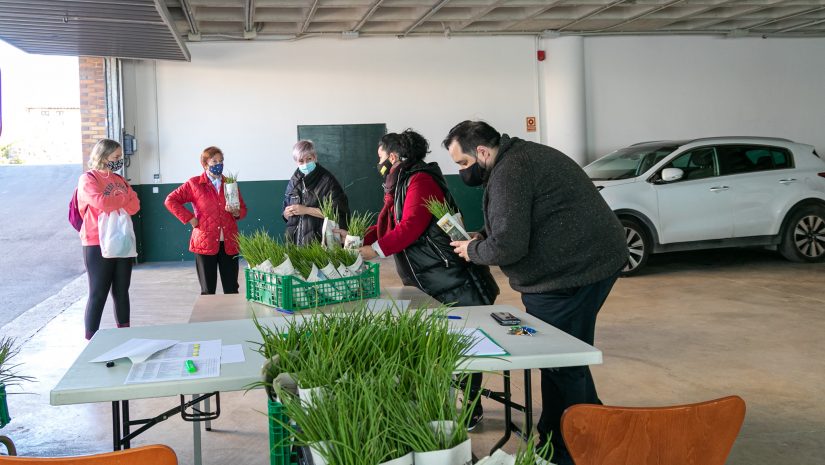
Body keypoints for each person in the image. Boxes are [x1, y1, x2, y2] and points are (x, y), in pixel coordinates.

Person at [444, 121, 627, 462]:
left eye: (463, 164)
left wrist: (473, 251)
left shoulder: (511, 171)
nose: (462, 171)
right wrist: (484, 235)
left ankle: (566, 447)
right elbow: (514, 219)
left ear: (482, 152)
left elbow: (509, 246)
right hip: (584, 263)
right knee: (569, 354)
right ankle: (590, 423)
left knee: (560, 361)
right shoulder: (518, 158)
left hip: (574, 273)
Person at [349, 129, 500, 429]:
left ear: (393, 156)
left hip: (450, 278)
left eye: (380, 158)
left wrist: (374, 251)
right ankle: (439, 404)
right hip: (428, 280)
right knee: (437, 346)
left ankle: (472, 407)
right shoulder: (400, 182)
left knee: (462, 346)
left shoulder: (420, 180)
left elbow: (410, 226)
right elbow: (388, 223)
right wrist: (354, 239)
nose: (378, 163)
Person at [76, 139, 140, 340]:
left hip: (121, 240)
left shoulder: (120, 180)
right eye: (116, 157)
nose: (119, 161)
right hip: (96, 242)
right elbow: (101, 202)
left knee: (122, 291)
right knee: (98, 292)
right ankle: (90, 338)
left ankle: (125, 333)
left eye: (120, 157)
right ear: (103, 157)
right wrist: (124, 199)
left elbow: (135, 206)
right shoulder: (89, 179)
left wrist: (120, 201)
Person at [165, 146, 247, 295]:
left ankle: (232, 318)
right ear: (204, 164)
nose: (219, 164)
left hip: (229, 241)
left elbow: (243, 209)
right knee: (208, 290)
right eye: (214, 161)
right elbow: (170, 200)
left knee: (232, 289)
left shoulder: (230, 183)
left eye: (221, 161)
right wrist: (190, 218)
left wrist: (236, 212)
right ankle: (210, 318)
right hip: (205, 242)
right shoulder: (194, 183)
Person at [282, 140, 349, 245]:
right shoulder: (293, 182)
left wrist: (306, 210)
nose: (305, 164)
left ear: (315, 157)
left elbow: (338, 213)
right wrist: (286, 213)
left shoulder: (328, 181)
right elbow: (285, 213)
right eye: (301, 161)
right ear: (296, 161)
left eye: (309, 159)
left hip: (320, 243)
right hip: (294, 243)